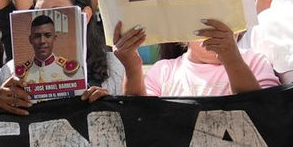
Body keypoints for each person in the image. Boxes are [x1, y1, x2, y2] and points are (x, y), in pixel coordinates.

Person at [0, 0, 122, 114]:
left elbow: (133, 118)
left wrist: (110, 106)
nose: (46, 22)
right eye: (38, 13)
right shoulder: (10, 72)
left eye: (57, 12)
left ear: (85, 15)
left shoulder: (115, 67)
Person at [118, 20, 279, 97]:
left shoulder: (255, 62)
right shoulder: (163, 71)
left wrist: (232, 59)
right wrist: (132, 68)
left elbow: (267, 112)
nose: (213, 28)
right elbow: (139, 117)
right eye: (202, 20)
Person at [14, 12, 82, 92]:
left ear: (54, 38)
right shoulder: (20, 73)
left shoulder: (71, 70)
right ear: (30, 40)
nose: (42, 41)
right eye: (37, 36)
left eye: (47, 35)